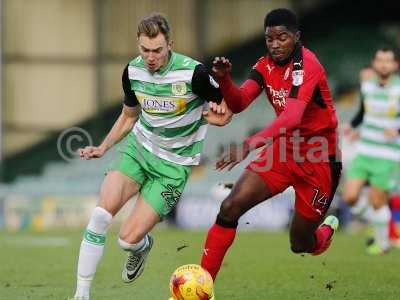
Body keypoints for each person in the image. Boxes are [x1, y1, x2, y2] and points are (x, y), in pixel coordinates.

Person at [72, 13, 231, 300]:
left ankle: (140, 246)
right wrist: (103, 147)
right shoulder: (132, 71)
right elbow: (129, 116)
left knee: (126, 239)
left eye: (157, 50)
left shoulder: (194, 73)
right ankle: (81, 294)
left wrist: (222, 116)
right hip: (139, 150)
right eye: (145, 50)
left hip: (173, 166)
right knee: (100, 215)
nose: (150, 57)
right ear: (138, 44)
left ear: (170, 44)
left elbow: (226, 105)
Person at [200, 8, 342, 281]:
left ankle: (325, 233)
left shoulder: (308, 65)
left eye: (282, 38)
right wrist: (225, 80)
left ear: (296, 37)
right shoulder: (263, 65)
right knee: (230, 207)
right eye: (269, 39)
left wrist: (248, 144)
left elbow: (291, 117)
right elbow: (239, 102)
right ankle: (201, 287)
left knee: (299, 243)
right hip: (283, 151)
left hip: (319, 159)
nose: (275, 45)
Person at [343, 47, 400, 255]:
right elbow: (363, 111)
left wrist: (397, 129)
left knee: (377, 202)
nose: (384, 64)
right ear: (374, 64)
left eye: (388, 61)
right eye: (380, 60)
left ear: (395, 65)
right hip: (365, 150)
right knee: (350, 196)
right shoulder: (366, 85)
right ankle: (379, 227)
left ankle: (383, 243)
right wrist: (352, 125)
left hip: (387, 155)